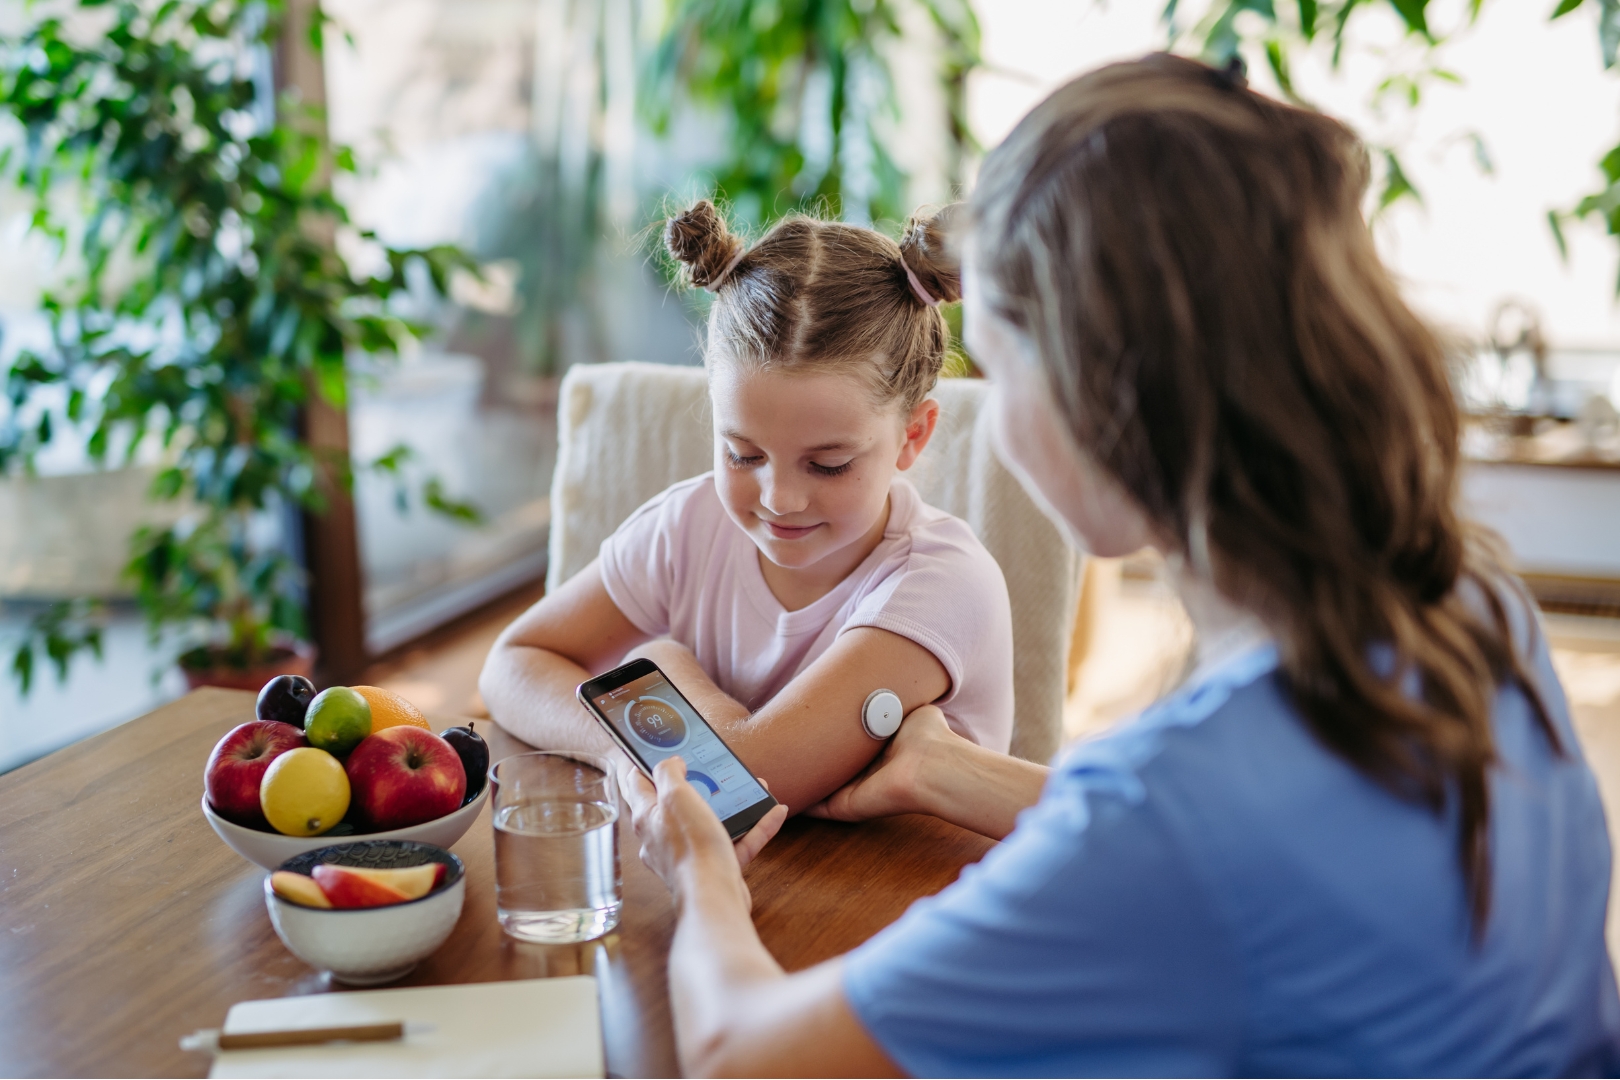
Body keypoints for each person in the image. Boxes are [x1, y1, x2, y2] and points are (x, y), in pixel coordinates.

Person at [618, 54, 1620, 1077]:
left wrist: (700, 865)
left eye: (1001, 374)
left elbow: (740, 1055)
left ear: (1102, 399)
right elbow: (1268, 858)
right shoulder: (1473, 602)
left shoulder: (1161, 817)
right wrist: (963, 772)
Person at [479, 200, 1016, 812]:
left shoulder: (943, 585)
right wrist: (631, 750)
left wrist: (664, 668)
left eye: (829, 464)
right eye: (742, 454)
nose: (779, 499)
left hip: (900, 897)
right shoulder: (686, 526)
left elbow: (754, 782)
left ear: (912, 436)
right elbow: (513, 664)